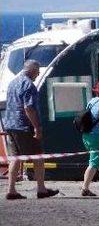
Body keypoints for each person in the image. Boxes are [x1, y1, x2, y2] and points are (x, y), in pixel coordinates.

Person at [4, 60, 59, 200]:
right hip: (23, 126)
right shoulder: (28, 85)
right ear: (32, 70)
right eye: (37, 70)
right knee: (38, 156)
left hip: (10, 125)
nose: (39, 73)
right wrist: (37, 127)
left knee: (15, 158)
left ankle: (11, 190)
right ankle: (41, 189)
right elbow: (29, 108)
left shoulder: (12, 83)